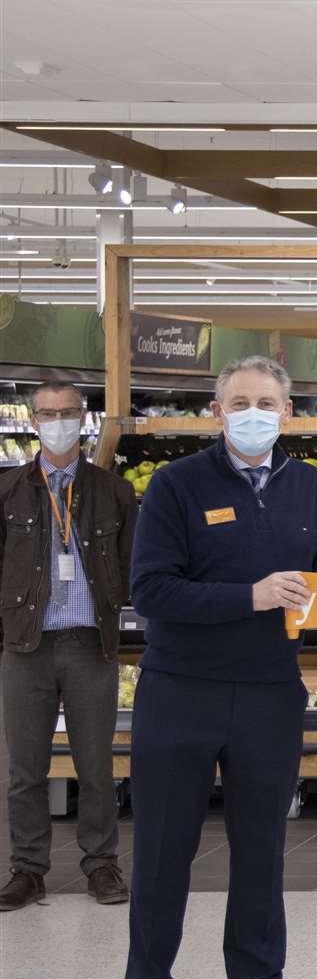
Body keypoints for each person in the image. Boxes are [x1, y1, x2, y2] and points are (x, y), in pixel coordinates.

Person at [121, 357, 317, 979]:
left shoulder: (310, 487)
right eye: (240, 401)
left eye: (268, 401)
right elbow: (151, 591)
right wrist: (247, 596)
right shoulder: (176, 485)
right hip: (179, 691)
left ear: (288, 413)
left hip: (269, 694)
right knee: (163, 851)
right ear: (216, 413)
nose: (255, 412)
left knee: (262, 850)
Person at [0, 382, 135, 912]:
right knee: (24, 768)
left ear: (84, 418)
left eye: (68, 412)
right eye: (47, 413)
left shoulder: (112, 490)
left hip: (90, 643)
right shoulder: (8, 490)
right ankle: (27, 869)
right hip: (25, 646)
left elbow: (128, 564)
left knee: (96, 764)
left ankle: (101, 864)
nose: (58, 420)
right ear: (33, 421)